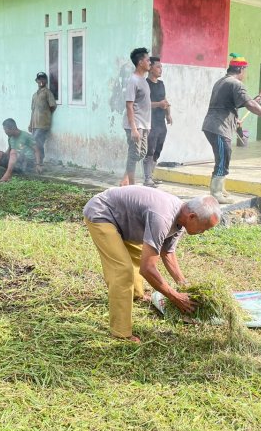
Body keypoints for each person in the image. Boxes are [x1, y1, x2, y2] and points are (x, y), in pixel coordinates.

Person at [84, 187, 222, 343]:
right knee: (122, 271)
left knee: (136, 255)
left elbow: (167, 253)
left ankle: (136, 295)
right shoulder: (163, 217)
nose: (203, 232)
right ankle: (121, 333)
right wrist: (174, 296)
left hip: (124, 220)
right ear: (192, 217)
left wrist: (184, 285)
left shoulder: (180, 219)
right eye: (204, 227)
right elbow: (147, 269)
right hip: (103, 213)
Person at [202, 55, 261, 204]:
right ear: (241, 69)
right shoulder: (236, 83)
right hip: (219, 127)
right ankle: (216, 192)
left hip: (213, 125)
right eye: (245, 70)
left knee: (224, 157)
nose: (245, 74)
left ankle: (220, 189)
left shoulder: (222, 81)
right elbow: (249, 104)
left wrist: (237, 115)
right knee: (223, 158)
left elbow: (231, 103)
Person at [120, 47, 151, 186]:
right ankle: (131, 186)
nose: (149, 62)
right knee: (134, 155)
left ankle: (125, 179)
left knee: (142, 153)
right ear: (140, 62)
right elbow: (129, 105)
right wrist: (133, 128)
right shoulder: (133, 80)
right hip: (135, 124)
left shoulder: (143, 80)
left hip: (144, 124)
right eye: (147, 60)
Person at [0, 118, 42, 184]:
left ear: (12, 128)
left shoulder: (26, 136)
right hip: (15, 163)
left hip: (26, 164)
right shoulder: (10, 137)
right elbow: (9, 151)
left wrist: (38, 164)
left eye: (5, 130)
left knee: (13, 152)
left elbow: (37, 150)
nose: (5, 132)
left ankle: (7, 176)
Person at [144, 56, 170, 187]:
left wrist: (168, 115)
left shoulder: (161, 84)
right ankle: (147, 178)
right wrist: (159, 104)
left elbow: (164, 100)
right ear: (150, 68)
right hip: (150, 122)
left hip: (161, 121)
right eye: (158, 67)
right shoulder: (145, 84)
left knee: (158, 149)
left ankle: (151, 177)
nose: (161, 69)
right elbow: (143, 104)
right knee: (150, 149)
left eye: (161, 67)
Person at [28, 72, 57, 165]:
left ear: (46, 81)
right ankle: (36, 161)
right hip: (35, 124)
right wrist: (30, 124)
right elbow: (33, 111)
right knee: (35, 142)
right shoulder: (34, 95)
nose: (41, 81)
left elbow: (53, 106)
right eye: (39, 79)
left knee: (37, 142)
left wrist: (46, 115)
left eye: (43, 79)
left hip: (43, 124)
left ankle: (39, 162)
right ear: (37, 81)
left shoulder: (47, 92)